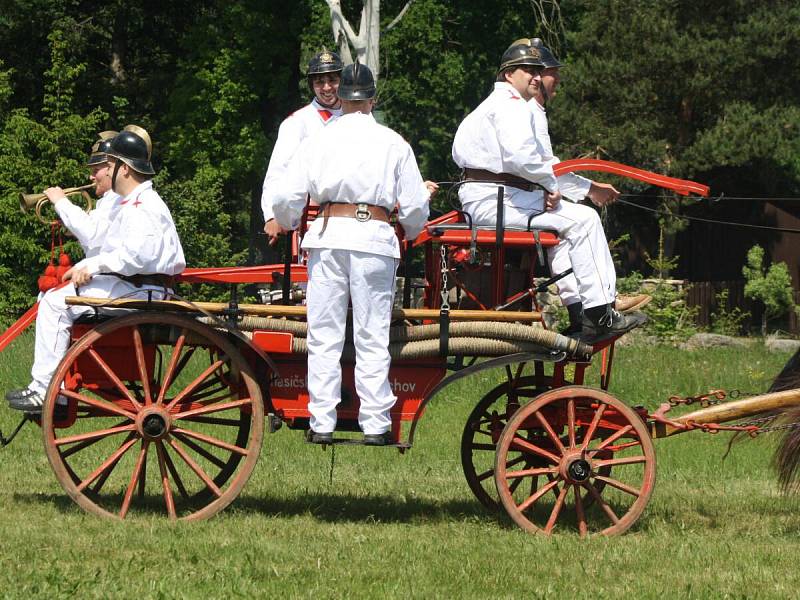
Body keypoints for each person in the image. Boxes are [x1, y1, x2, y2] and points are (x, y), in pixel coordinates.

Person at [271, 61, 433, 445]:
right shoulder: (394, 142)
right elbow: (413, 209)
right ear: (373, 99)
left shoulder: (317, 140)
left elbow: (286, 198)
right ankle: (376, 422)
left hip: (327, 236)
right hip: (374, 238)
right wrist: (409, 230)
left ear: (340, 98)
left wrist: (289, 219)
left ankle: (322, 420)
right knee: (372, 333)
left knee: (324, 333)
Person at [452, 38, 644, 341]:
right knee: (584, 221)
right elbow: (526, 159)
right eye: (528, 70)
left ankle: (584, 312)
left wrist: (569, 186)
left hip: (497, 198)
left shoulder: (498, 106)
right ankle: (600, 315)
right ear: (508, 74)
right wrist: (555, 184)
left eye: (538, 71)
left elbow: (534, 164)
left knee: (574, 223)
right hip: (499, 202)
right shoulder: (511, 106)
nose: (536, 77)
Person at [5, 125, 186, 413]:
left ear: (124, 169)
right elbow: (113, 247)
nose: (100, 171)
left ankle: (46, 390)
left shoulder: (143, 204)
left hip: (142, 288)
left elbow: (135, 256)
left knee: (55, 302)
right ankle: (56, 389)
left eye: (109, 164)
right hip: (136, 286)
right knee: (51, 298)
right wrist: (91, 264)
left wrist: (93, 264)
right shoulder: (131, 203)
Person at [522, 38, 650, 331]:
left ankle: (580, 310)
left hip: (523, 198)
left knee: (563, 236)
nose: (558, 80)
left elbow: (546, 169)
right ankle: (601, 308)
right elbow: (549, 168)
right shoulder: (529, 112)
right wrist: (591, 189)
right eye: (554, 73)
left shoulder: (531, 112)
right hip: (518, 202)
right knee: (586, 219)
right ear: (538, 77)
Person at [261, 49, 344, 247]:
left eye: (332, 80)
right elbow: (278, 172)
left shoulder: (359, 118)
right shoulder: (298, 123)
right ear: (311, 85)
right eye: (319, 82)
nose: (326, 87)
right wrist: (272, 216)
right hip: (312, 221)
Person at [52, 130, 123, 258]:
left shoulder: (119, 198)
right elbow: (96, 244)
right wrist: (74, 227)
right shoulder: (109, 200)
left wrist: (61, 202)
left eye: (96, 170)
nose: (91, 176)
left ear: (114, 167)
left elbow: (91, 234)